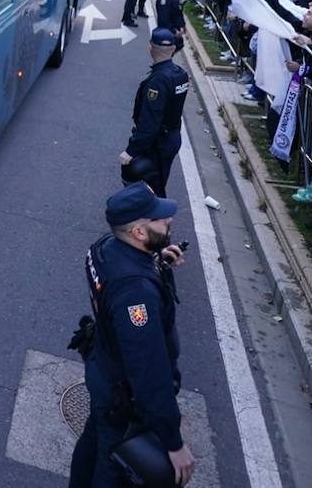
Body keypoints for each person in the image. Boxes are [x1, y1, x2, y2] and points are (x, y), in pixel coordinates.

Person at [69, 184, 195, 488]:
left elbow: (121, 275)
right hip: (121, 394)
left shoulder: (104, 248)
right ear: (139, 232)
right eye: (159, 219)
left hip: (102, 368)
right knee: (112, 468)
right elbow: (149, 371)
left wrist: (156, 262)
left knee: (94, 439)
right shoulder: (136, 294)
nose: (168, 221)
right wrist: (173, 442)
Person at [120, 29, 190, 197]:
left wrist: (131, 150)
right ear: (173, 49)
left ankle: (160, 220)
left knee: (153, 189)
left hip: (158, 143)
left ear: (150, 48)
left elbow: (150, 123)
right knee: (158, 180)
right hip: (171, 137)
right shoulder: (180, 74)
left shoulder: (158, 81)